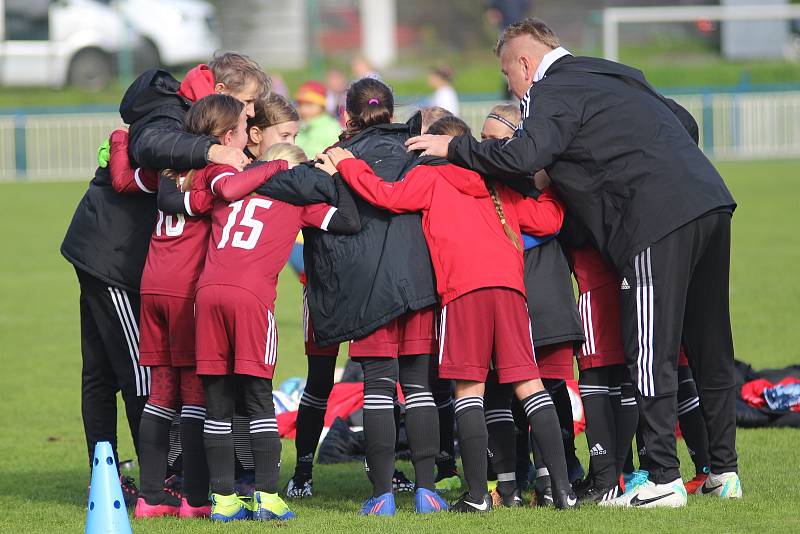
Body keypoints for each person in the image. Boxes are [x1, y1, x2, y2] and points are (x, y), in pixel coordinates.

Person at [407, 17, 740, 507]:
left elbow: (525, 155)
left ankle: (663, 478)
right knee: (710, 343)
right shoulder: (614, 72)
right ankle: (724, 473)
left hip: (654, 218)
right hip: (710, 200)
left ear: (525, 63)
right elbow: (684, 122)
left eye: (508, 74)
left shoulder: (551, 88)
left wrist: (455, 147)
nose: (512, 87)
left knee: (649, 349)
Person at [323, 115, 578, 512]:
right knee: (530, 385)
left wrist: (347, 164)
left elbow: (384, 195)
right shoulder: (497, 183)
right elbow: (549, 220)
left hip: (463, 294)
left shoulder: (432, 179)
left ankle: (478, 497)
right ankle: (562, 491)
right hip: (511, 291)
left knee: (468, 392)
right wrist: (551, 186)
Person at [60, 51, 270, 504]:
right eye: (248, 101)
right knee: (138, 370)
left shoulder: (186, 108)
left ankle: (109, 476)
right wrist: (215, 150)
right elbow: (151, 144)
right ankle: (159, 483)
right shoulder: (169, 106)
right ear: (223, 90)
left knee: (100, 372)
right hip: (112, 255)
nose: (251, 112)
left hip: (108, 251)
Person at [263, 78, 444, 517]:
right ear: (391, 110)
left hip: (365, 290)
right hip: (420, 281)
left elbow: (285, 186)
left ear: (346, 115)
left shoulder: (338, 157)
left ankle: (381, 495)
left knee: (378, 389)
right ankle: (426, 491)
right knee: (418, 387)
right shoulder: (417, 151)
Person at [194, 138, 361, 522]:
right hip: (250, 299)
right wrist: (338, 179)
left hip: (207, 292)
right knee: (257, 401)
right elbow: (349, 222)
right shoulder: (296, 201)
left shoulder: (230, 192)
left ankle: (223, 501)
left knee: (217, 403)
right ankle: (267, 498)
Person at [478, 105, 585, 507]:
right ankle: (514, 483)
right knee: (502, 395)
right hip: (511, 305)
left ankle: (549, 480)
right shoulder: (510, 185)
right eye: (481, 138)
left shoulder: (539, 185)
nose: (483, 146)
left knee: (549, 389)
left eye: (493, 139)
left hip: (545, 305)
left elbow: (549, 222)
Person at [244, 94, 300, 161]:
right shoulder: (238, 166)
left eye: (294, 136)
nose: (292, 144)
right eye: (284, 136)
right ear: (256, 135)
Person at [295, 81, 342, 158]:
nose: (303, 110)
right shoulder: (299, 127)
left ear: (322, 106)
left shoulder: (332, 128)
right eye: (300, 104)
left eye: (309, 105)